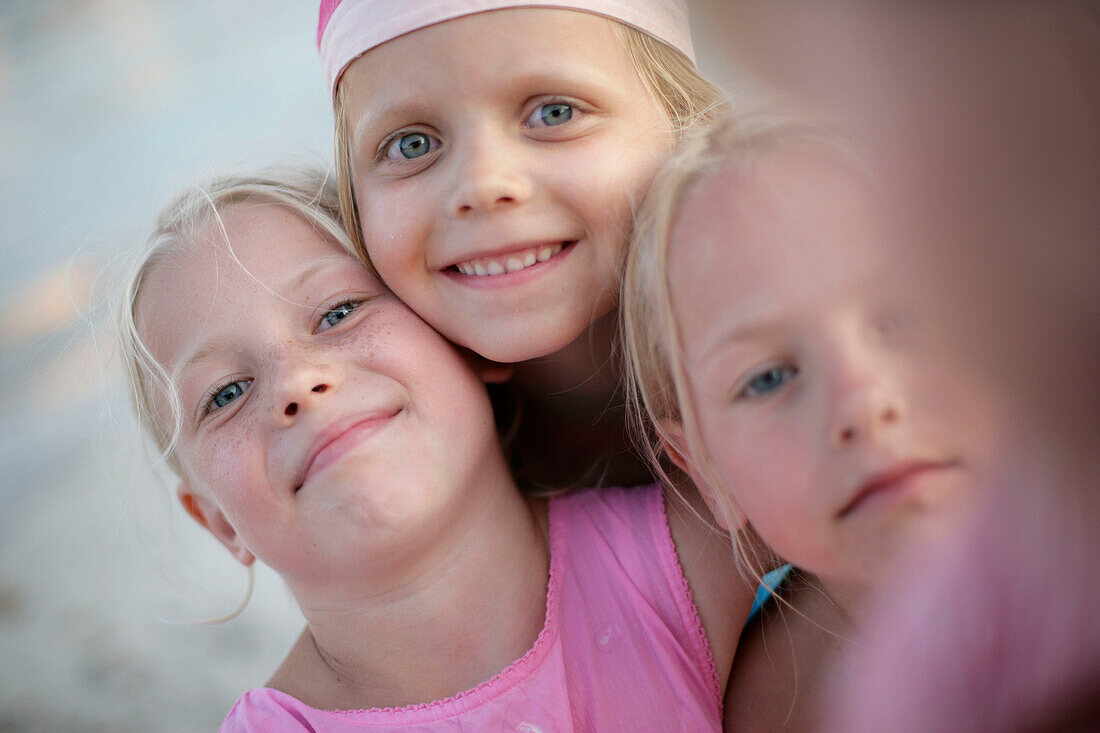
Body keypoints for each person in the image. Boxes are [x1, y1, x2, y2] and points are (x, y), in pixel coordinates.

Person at [118, 167, 747, 730]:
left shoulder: (702, 550)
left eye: (338, 314)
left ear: (465, 340)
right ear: (218, 521)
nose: (296, 385)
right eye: (226, 393)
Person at [620, 109, 1001, 731]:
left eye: (905, 318)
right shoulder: (751, 709)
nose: (860, 402)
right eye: (767, 378)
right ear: (706, 471)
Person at [319, 0, 725, 490]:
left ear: (689, 122)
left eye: (554, 113)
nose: (482, 185)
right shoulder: (367, 452)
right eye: (413, 145)